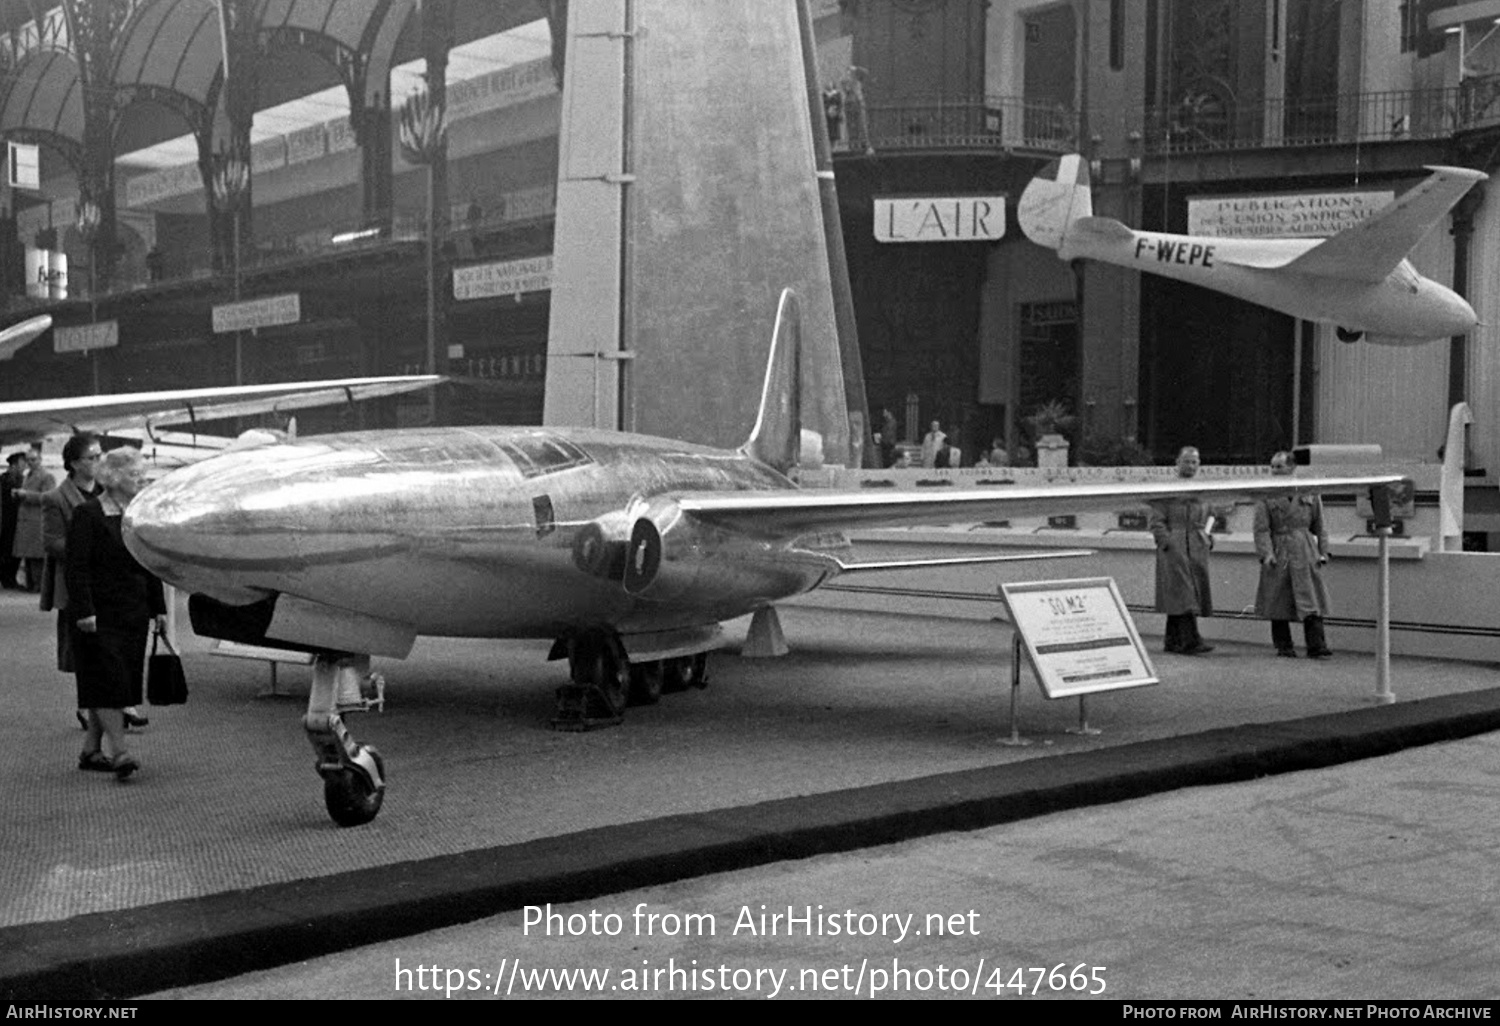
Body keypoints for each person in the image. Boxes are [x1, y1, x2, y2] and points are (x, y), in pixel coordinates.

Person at [68, 448, 166, 779]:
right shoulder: (88, 514)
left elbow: (148, 561)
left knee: (116, 681)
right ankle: (120, 752)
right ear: (115, 478)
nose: (142, 480)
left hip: (133, 611)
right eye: (135, 475)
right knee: (108, 679)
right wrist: (84, 611)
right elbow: (76, 567)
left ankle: (90, 751)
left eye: (142, 474)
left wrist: (160, 608)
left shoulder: (138, 515)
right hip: (97, 613)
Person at [44, 434, 150, 730]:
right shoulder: (58, 498)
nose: (97, 461)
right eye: (91, 457)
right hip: (78, 588)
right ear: (74, 464)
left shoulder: (111, 494)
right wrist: (92, 549)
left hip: (114, 590)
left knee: (102, 660)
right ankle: (98, 713)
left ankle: (105, 721)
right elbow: (52, 542)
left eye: (98, 456)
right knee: (85, 657)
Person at [1253, 450, 1333, 659]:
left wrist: (1323, 551)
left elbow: (1320, 525)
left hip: (1304, 547)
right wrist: (1266, 554)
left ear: (1292, 467)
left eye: (1279, 466)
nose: (1275, 470)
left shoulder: (1309, 491)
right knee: (1278, 598)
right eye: (1273, 466)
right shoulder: (1266, 495)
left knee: (1311, 598)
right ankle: (1283, 645)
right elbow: (1261, 529)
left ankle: (1317, 645)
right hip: (1280, 548)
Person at [1149, 446, 1214, 655]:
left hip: (1196, 544)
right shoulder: (1166, 489)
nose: (1191, 466)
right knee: (1183, 593)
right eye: (1187, 461)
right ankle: (1191, 640)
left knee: (1182, 595)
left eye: (1195, 462)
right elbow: (1157, 521)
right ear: (1177, 462)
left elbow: (1211, 516)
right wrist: (1167, 543)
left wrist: (1208, 536)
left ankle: (1173, 640)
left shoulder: (1202, 491)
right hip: (1175, 545)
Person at [12, 442, 56, 592]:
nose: (31, 463)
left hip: (37, 521)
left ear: (40, 460)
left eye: (34, 460)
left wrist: (27, 495)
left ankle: (39, 585)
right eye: (28, 460)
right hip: (26, 521)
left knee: (37, 556)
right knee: (29, 556)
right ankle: (30, 583)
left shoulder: (46, 476)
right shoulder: (27, 476)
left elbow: (48, 497)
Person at [0, 451, 24, 589]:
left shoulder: (21, 479)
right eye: (22, 463)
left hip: (18, 520)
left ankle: (9, 577)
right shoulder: (6, 480)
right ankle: (7, 578)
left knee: (14, 550)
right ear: (14, 465)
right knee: (7, 549)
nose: (24, 466)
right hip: (7, 520)